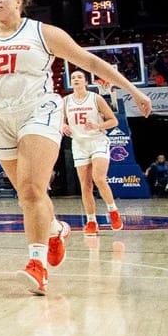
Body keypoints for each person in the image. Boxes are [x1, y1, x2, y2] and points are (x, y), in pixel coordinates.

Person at [0, 0, 152, 294]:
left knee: (31, 190)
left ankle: (37, 265)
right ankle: (55, 229)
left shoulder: (42, 32)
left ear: (20, 1)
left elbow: (90, 62)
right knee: (27, 196)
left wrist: (133, 90)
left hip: (38, 110)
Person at [62, 70, 123, 235]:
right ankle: (91, 221)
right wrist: (63, 125)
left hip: (97, 141)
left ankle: (113, 211)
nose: (76, 79)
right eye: (73, 77)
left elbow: (114, 121)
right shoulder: (65, 101)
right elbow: (58, 121)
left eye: (79, 77)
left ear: (86, 82)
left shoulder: (95, 98)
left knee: (99, 178)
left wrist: (98, 126)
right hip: (79, 144)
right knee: (85, 185)